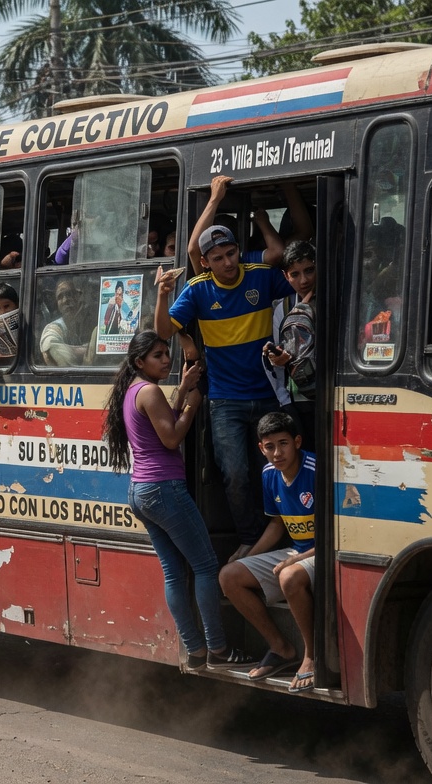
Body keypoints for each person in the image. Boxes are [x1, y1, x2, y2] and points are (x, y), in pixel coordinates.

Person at [104, 331, 254, 670]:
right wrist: (192, 406)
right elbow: (171, 437)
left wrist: (183, 388)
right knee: (204, 566)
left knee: (174, 573)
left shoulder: (134, 390)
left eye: (166, 353)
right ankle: (217, 647)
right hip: (164, 489)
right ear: (140, 362)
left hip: (141, 491)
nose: (167, 359)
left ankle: (195, 651)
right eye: (158, 355)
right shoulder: (150, 391)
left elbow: (161, 422)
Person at [155, 220, 296, 563]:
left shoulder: (262, 275)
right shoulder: (198, 289)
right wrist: (162, 293)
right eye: (217, 258)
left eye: (231, 253)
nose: (227, 263)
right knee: (235, 474)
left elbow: (301, 290)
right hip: (225, 400)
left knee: (281, 468)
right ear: (205, 262)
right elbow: (162, 330)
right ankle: (250, 539)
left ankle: (291, 536)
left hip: (268, 394)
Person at [218, 412, 317, 692]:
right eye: (269, 446)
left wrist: (296, 559)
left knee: (288, 577)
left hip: (320, 551)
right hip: (296, 550)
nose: (277, 452)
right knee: (229, 576)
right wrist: (248, 556)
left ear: (297, 442)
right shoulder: (269, 474)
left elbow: (335, 531)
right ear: (261, 448)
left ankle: (310, 655)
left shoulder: (315, 469)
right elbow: (276, 524)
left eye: (283, 443)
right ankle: (281, 647)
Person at [263, 241, 317, 448]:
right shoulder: (282, 309)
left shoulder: (337, 300)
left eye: (309, 270)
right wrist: (278, 359)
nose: (304, 280)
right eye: (295, 274)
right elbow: (276, 362)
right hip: (299, 397)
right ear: (286, 276)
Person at [40, 279, 93, 366]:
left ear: (78, 296)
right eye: (60, 297)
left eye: (69, 294)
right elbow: (52, 349)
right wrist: (92, 350)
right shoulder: (54, 328)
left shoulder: (91, 321)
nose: (65, 300)